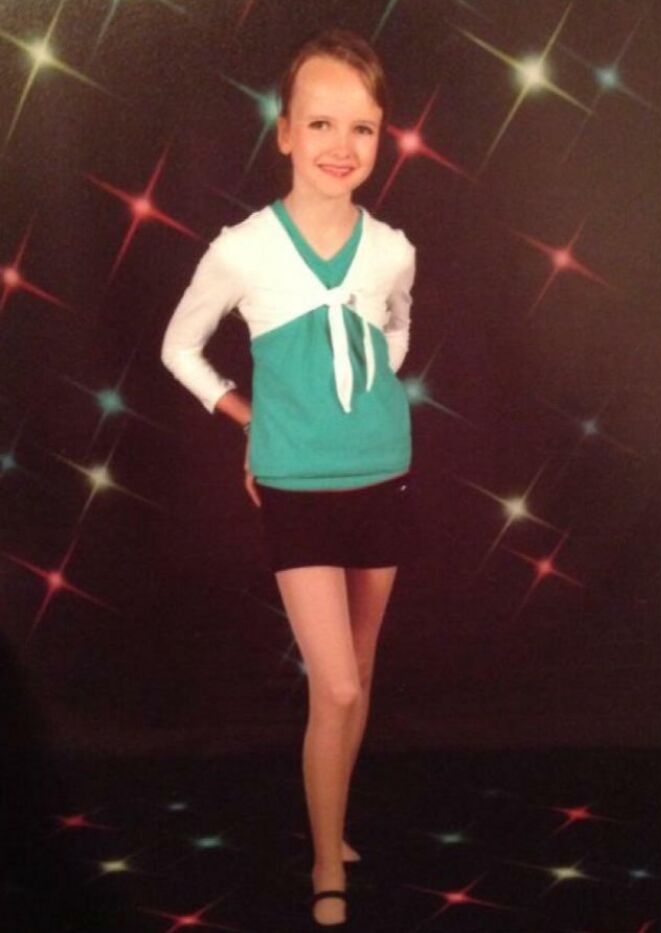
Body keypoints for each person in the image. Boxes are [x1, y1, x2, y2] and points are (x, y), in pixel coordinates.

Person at [160, 27, 419, 928]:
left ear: (380, 136)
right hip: (295, 488)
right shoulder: (245, 249)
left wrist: (366, 397)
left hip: (384, 474)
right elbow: (180, 348)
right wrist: (252, 418)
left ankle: (335, 822)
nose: (341, 146)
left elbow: (395, 330)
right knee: (334, 684)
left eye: (362, 127)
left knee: (365, 667)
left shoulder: (392, 248)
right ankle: (324, 860)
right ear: (283, 133)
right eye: (320, 123)